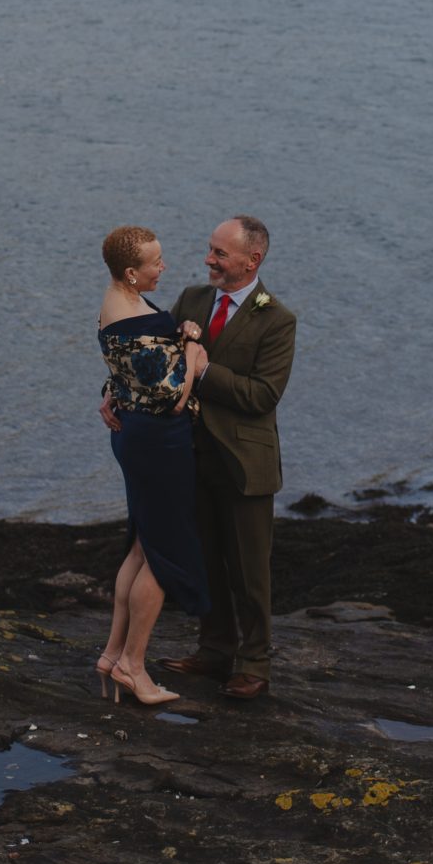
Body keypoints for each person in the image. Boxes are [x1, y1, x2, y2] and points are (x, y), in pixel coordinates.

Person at [163, 216, 295, 701]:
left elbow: (263, 395)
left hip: (244, 464)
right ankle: (214, 650)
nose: (208, 260)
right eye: (210, 249)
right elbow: (158, 358)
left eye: (219, 253)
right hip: (190, 454)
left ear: (251, 260)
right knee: (205, 562)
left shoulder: (277, 320)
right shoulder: (192, 299)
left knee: (249, 571)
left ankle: (254, 664)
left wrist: (203, 368)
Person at [94, 225, 212, 708]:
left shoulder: (121, 302)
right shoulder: (126, 315)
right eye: (155, 262)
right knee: (165, 556)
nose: (163, 267)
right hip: (158, 441)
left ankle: (111, 654)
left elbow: (127, 372)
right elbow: (170, 398)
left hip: (138, 435)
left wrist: (179, 330)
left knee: (144, 546)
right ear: (130, 272)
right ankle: (133, 666)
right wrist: (193, 351)